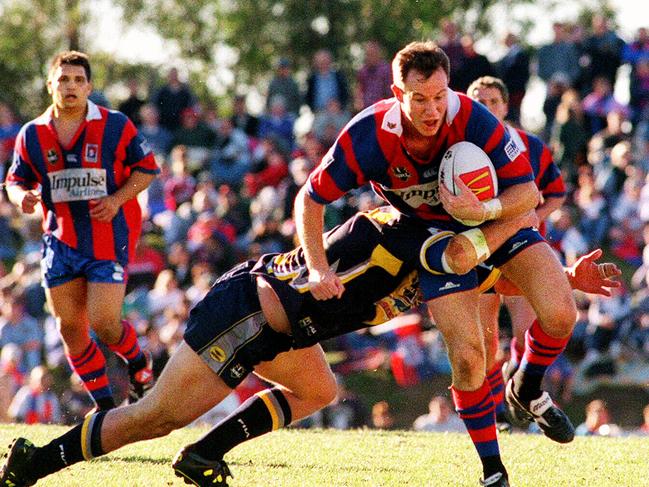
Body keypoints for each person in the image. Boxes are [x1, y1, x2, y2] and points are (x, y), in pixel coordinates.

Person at [0, 206, 619, 487]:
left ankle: (202, 458)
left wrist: (563, 281)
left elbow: (488, 276)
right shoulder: (405, 237)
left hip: (287, 328)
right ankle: (36, 463)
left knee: (320, 389)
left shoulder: (445, 252)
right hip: (250, 311)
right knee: (154, 417)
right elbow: (472, 271)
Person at [293, 40, 571, 486]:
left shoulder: (473, 118)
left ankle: (528, 385)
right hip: (433, 240)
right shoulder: (371, 133)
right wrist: (317, 266)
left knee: (561, 313)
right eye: (419, 98)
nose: (432, 108)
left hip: (497, 222)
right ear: (396, 93)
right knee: (467, 357)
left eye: (440, 96)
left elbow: (529, 195)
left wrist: (481, 212)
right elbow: (310, 198)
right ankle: (493, 470)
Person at [4, 51, 159, 411]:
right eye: (63, 79)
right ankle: (105, 408)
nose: (70, 86)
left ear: (89, 86)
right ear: (50, 85)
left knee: (105, 324)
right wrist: (22, 198)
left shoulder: (116, 125)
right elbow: (14, 182)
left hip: (107, 237)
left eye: (78, 80)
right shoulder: (32, 134)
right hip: (59, 242)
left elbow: (147, 169)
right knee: (69, 329)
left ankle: (138, 363)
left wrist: (118, 199)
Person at [466, 75, 567, 430]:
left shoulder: (530, 145)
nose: (486, 106)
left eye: (493, 100)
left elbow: (556, 192)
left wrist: (533, 216)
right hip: (479, 252)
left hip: (523, 252)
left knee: (527, 333)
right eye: (478, 99)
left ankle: (518, 389)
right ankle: (498, 412)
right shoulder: (461, 149)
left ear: (506, 106)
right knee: (484, 340)